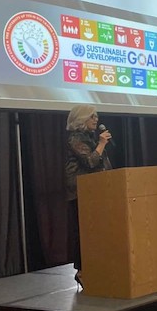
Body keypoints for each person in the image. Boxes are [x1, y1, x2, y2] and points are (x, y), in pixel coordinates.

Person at [65, 105, 112, 286]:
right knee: (83, 233)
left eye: (96, 116)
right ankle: (82, 270)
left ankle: (97, 268)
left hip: (97, 192)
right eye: (92, 116)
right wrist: (101, 144)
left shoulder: (89, 138)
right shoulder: (75, 139)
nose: (96, 119)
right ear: (81, 119)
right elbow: (91, 162)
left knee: (97, 233)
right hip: (80, 193)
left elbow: (102, 165)